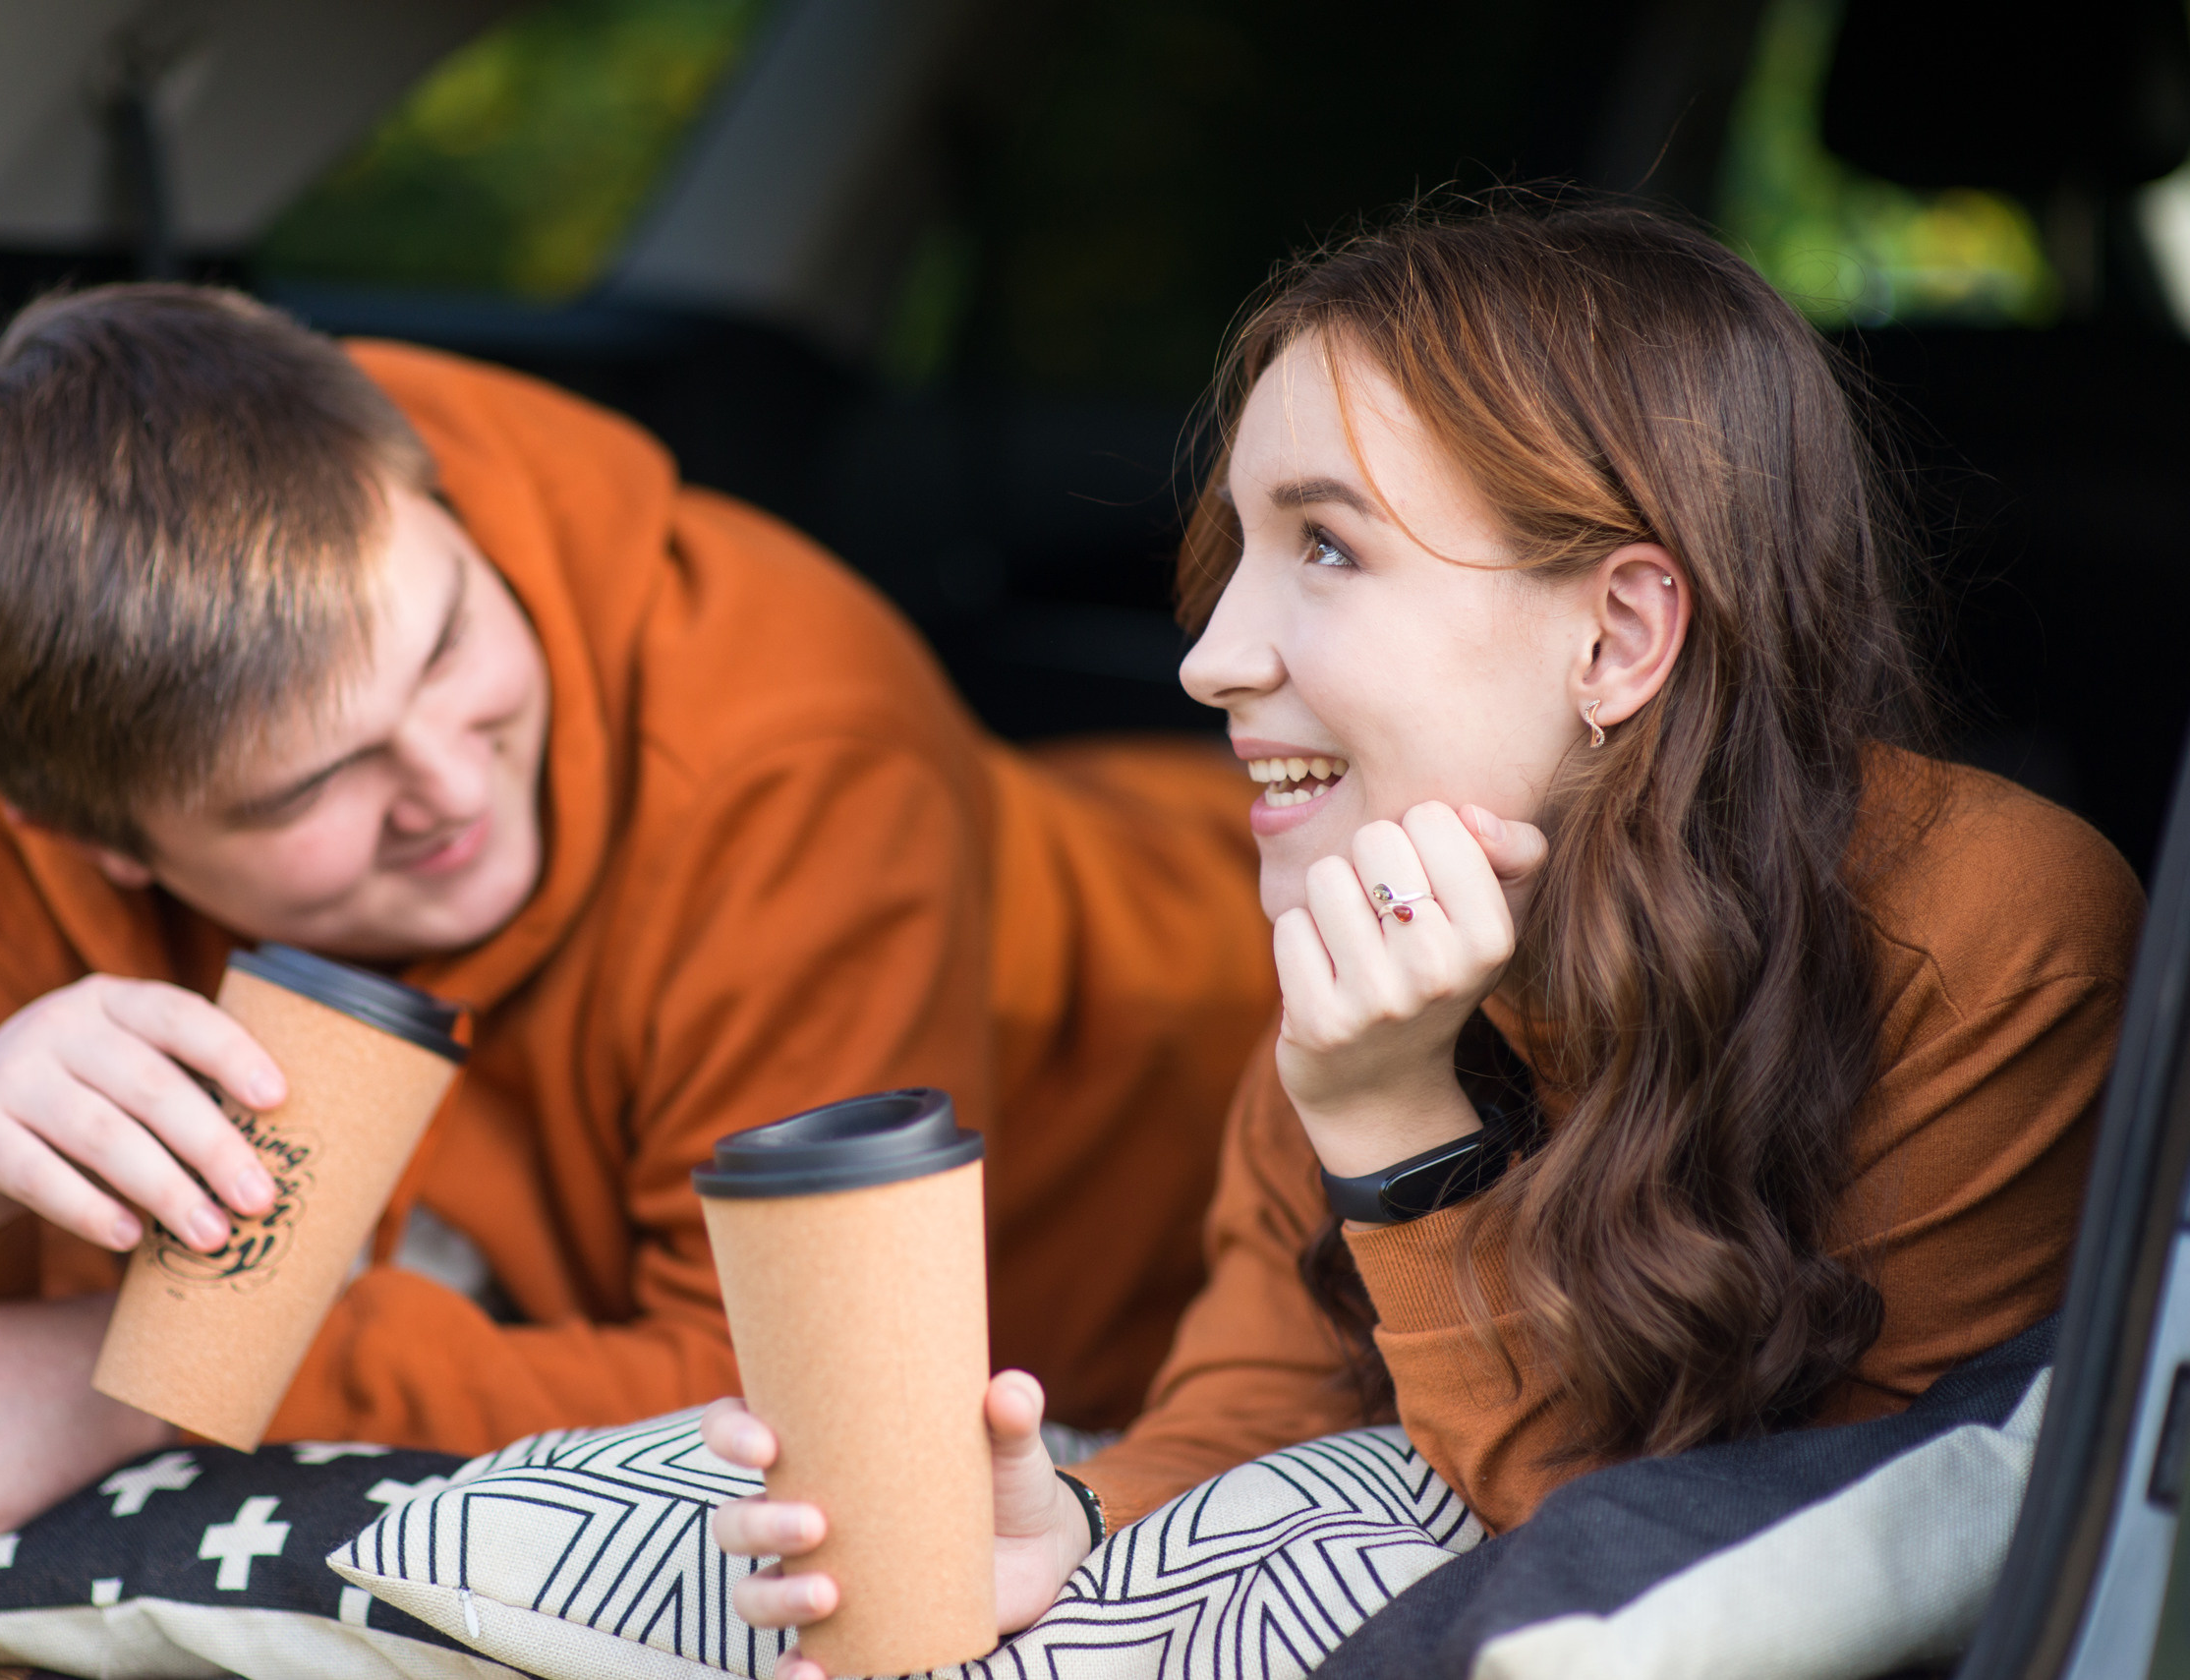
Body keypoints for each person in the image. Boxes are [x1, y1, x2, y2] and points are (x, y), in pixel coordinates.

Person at [706, 200, 2144, 1660]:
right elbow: (1258, 1401)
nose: (1211, 656)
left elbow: (1758, 1587)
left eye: (1328, 547)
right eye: (1240, 549)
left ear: (1617, 635)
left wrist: (1399, 1139)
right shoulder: (1370, 929)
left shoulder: (1994, 943)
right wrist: (1073, 1514)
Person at [0, 285, 1280, 1565]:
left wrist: (151, 1377)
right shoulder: (1, 754)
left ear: (434, 502)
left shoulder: (799, 736)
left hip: (1213, 1027)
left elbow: (801, 1399)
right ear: (95, 838)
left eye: (449, 641)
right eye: (312, 784)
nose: (448, 784)